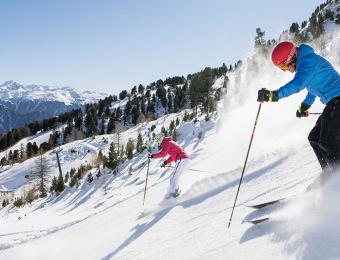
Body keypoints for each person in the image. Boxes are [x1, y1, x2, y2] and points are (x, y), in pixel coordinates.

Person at [257, 41, 340, 176]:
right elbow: (312, 89)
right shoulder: (305, 64)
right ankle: (329, 176)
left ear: (292, 56)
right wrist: (305, 106)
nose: (286, 70)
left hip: (338, 99)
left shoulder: (308, 62)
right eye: (281, 68)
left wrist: (274, 95)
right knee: (314, 137)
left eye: (284, 65)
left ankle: (338, 176)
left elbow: (298, 84)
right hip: (334, 102)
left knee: (327, 140)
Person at [149, 133, 190, 198]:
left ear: (160, 139)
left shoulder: (167, 143)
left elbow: (162, 154)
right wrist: (165, 163)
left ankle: (174, 193)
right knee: (172, 176)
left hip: (182, 159)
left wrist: (152, 156)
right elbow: (172, 156)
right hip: (184, 160)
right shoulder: (169, 142)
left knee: (174, 177)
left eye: (157, 140)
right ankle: (173, 191)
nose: (157, 142)